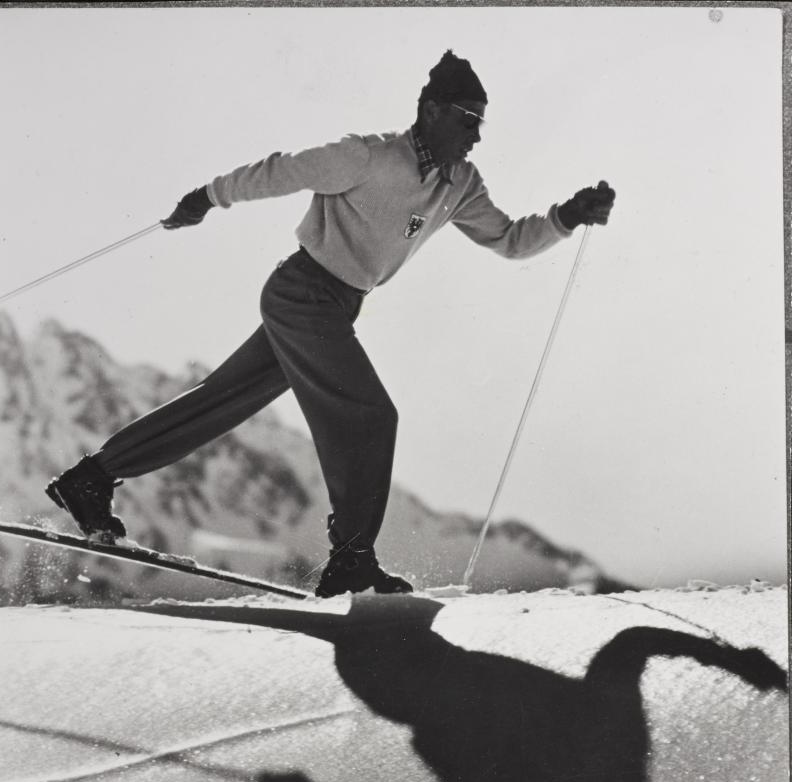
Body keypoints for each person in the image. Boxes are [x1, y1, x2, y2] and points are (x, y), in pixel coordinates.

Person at [46, 50, 615, 598]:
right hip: (303, 294)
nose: (476, 134)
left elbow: (511, 240)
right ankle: (351, 560)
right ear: (432, 110)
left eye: (481, 123)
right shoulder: (366, 156)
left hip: (336, 306)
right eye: (468, 119)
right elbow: (280, 172)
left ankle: (91, 478)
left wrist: (568, 215)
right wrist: (205, 198)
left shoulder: (460, 183)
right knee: (369, 415)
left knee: (220, 399)